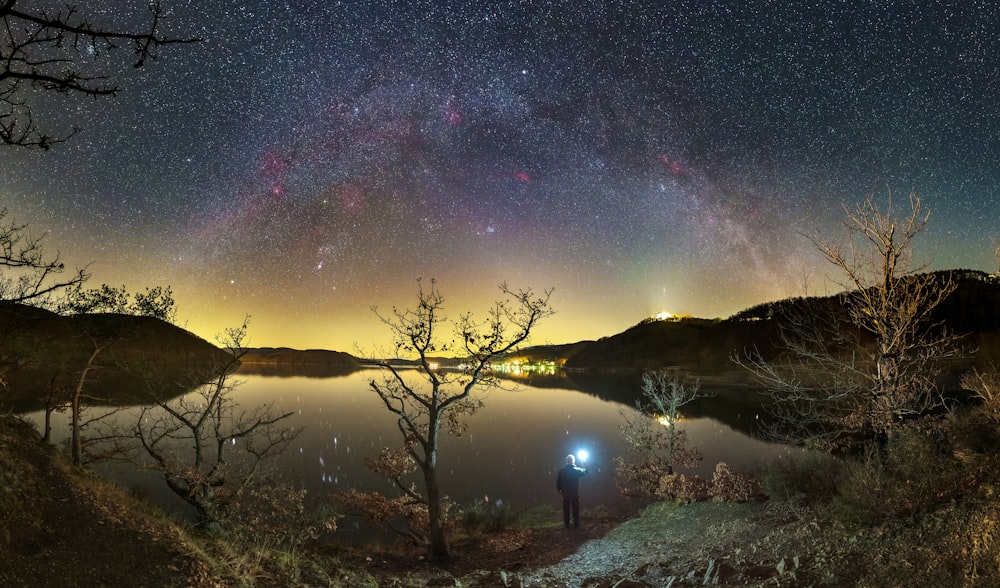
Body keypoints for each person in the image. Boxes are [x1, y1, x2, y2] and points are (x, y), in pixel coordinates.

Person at [556, 454, 588, 528]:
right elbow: (585, 471)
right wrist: (584, 463)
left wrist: (560, 490)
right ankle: (576, 524)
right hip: (574, 493)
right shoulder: (576, 470)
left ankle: (567, 524)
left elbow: (558, 481)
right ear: (573, 461)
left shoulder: (562, 471)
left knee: (566, 510)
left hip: (565, 493)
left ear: (566, 461)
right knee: (575, 509)